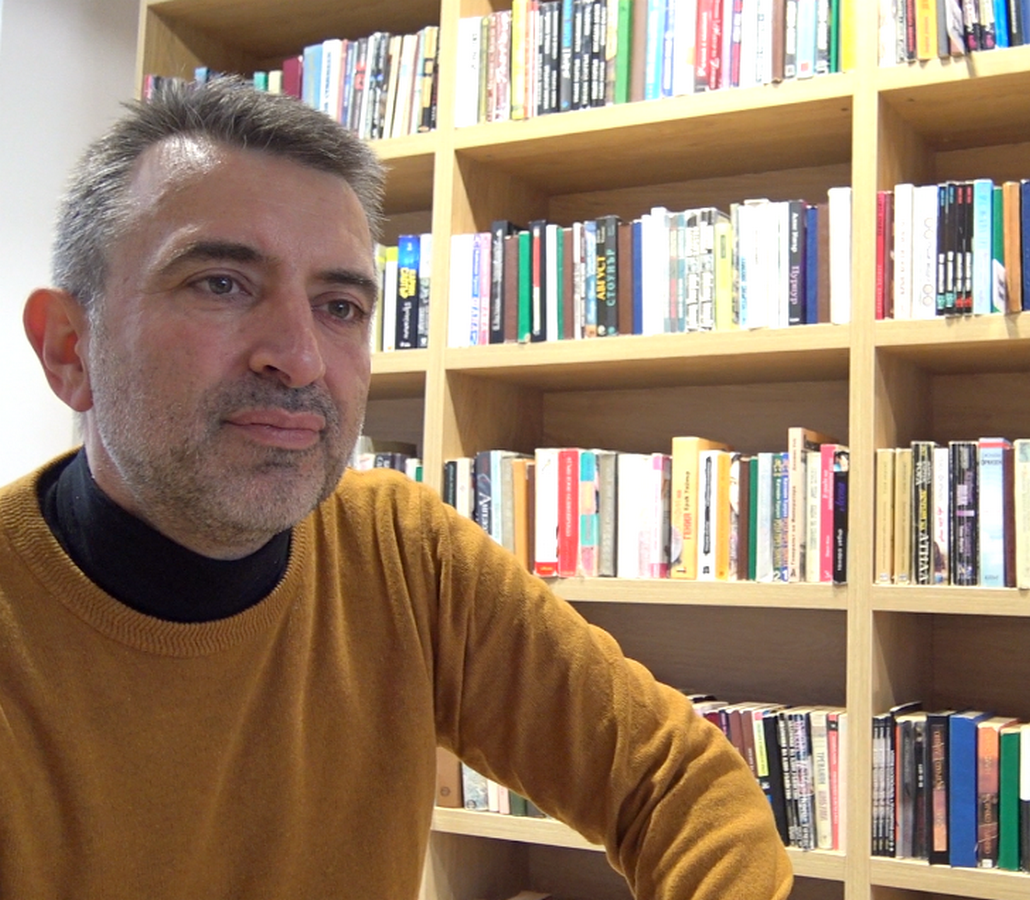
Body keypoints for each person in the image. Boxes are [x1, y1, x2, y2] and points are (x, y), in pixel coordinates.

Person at [4, 78, 793, 898]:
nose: (300, 358)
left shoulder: (402, 555)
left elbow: (679, 785)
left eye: (339, 305)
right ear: (69, 348)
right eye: (221, 284)